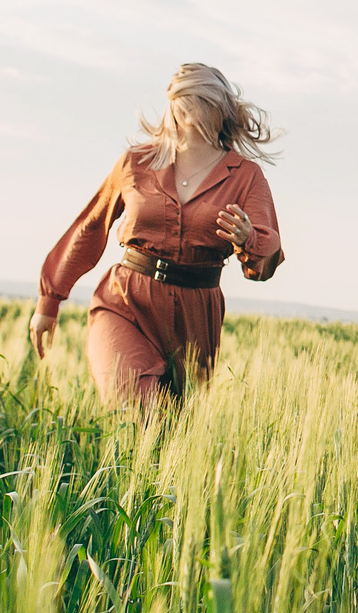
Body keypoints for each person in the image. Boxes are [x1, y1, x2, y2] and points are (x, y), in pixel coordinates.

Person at [31, 63, 284, 408]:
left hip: (194, 316)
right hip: (126, 300)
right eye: (184, 99)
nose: (187, 108)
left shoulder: (245, 176)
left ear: (219, 107)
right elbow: (91, 226)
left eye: (200, 99)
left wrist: (247, 239)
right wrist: (49, 300)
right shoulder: (136, 163)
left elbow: (267, 255)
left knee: (171, 427)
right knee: (133, 401)